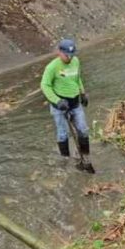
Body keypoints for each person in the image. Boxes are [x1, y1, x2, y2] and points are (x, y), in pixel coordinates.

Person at [40, 38, 93, 172]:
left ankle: (85, 157)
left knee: (83, 129)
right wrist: (57, 101)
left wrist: (82, 93)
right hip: (60, 105)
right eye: (66, 55)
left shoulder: (75, 61)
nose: (69, 58)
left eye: (72, 55)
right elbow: (45, 86)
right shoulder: (52, 67)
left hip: (75, 103)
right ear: (59, 52)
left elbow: (77, 78)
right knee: (63, 133)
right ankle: (65, 160)